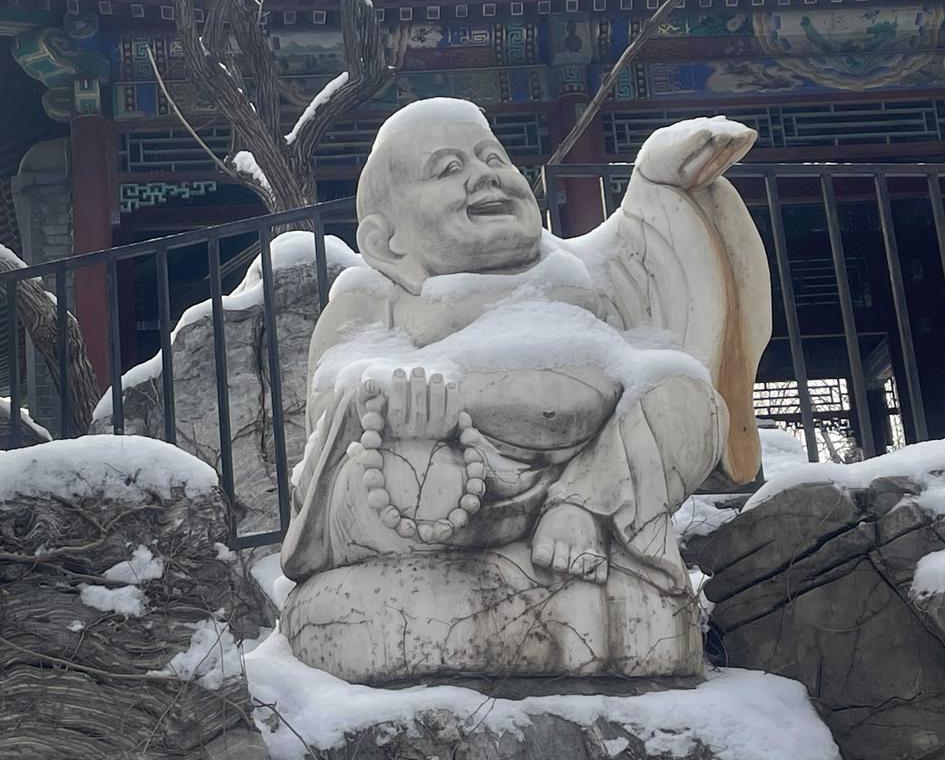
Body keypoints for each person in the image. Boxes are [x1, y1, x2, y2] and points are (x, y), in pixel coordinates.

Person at [279, 98, 770, 684]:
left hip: (594, 465)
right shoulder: (377, 291)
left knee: (685, 393)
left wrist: (660, 178)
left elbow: (645, 239)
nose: (483, 175)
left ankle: (581, 509)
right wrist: (387, 392)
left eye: (493, 159)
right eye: (448, 168)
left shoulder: (580, 269)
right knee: (398, 476)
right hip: (461, 468)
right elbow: (333, 382)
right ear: (388, 241)